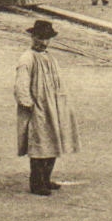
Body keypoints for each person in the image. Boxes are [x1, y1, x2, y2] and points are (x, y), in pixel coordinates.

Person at [15, 19, 80, 195]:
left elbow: (58, 82)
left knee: (53, 142)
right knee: (39, 145)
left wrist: (63, 104)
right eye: (40, 38)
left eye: (47, 39)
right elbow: (21, 84)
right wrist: (27, 103)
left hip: (53, 106)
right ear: (33, 37)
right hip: (37, 107)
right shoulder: (27, 58)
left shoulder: (50, 58)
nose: (43, 42)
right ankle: (36, 183)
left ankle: (46, 178)